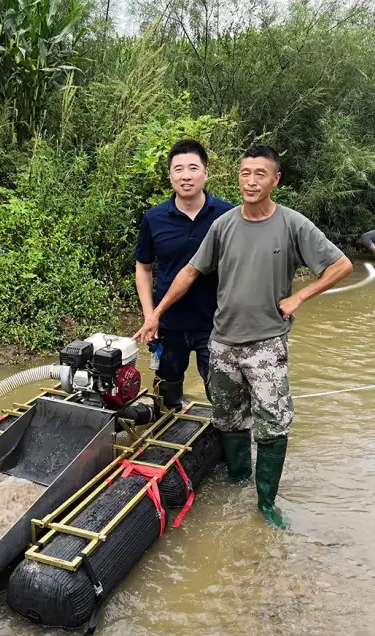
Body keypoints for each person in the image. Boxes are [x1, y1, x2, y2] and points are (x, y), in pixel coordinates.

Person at [135, 144, 353, 528]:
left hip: (267, 344)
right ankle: (237, 480)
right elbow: (189, 272)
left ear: (275, 180)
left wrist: (299, 296)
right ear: (237, 176)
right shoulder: (224, 224)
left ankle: (266, 502)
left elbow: (342, 264)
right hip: (221, 343)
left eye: (260, 174)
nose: (251, 181)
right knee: (229, 419)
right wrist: (156, 314)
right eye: (245, 173)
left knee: (274, 423)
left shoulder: (292, 224)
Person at [134, 139, 234, 411]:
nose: (185, 176)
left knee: (222, 392)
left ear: (206, 173)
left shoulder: (227, 215)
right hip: (168, 324)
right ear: (170, 175)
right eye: (178, 169)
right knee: (165, 393)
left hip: (214, 322)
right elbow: (143, 267)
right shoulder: (155, 218)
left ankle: (226, 446)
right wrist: (149, 315)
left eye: (193, 168)